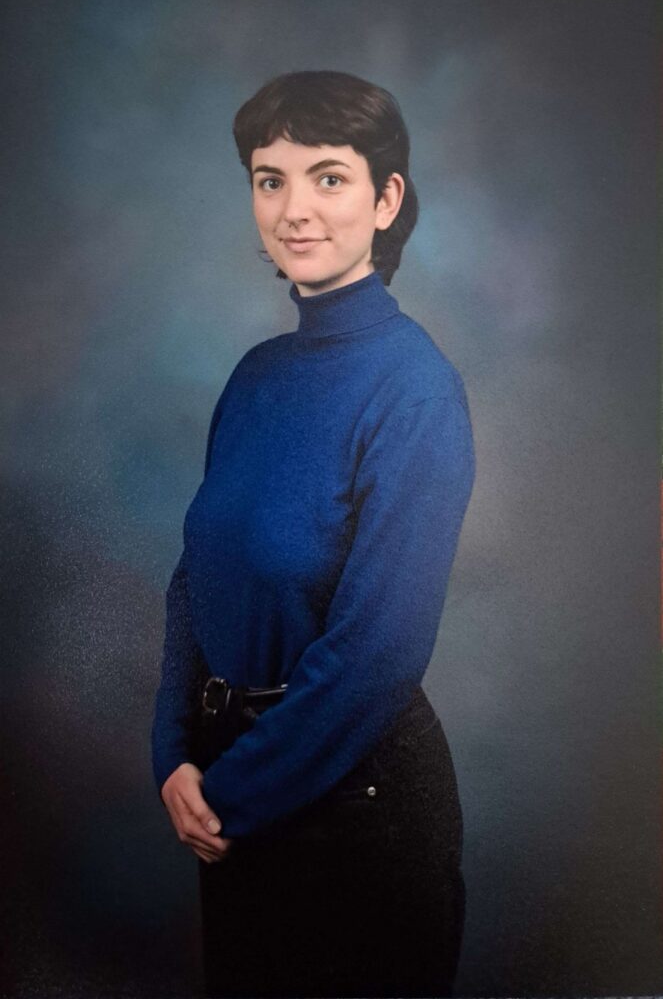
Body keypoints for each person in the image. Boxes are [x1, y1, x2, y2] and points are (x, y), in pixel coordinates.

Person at [151, 69, 476, 999]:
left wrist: (228, 793)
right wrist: (173, 755)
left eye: (328, 177)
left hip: (358, 811)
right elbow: (197, 576)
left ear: (386, 200)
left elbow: (378, 654)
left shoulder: (415, 389)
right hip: (235, 790)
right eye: (270, 179)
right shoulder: (255, 376)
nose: (294, 209)